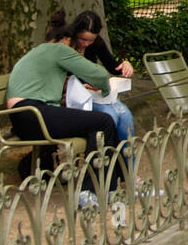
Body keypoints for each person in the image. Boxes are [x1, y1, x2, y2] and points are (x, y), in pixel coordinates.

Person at [5, 28, 121, 195]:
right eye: (76, 45)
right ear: (67, 40)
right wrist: (104, 90)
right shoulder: (59, 49)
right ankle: (93, 190)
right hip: (34, 113)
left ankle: (30, 168)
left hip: (22, 119)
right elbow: (100, 75)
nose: (76, 51)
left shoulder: (37, 52)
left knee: (87, 121)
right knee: (104, 121)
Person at [58, 10, 136, 150]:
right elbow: (60, 76)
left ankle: (127, 165)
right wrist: (83, 86)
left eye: (91, 40)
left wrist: (125, 64)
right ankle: (107, 163)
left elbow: (113, 66)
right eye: (83, 39)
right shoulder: (65, 44)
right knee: (110, 115)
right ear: (76, 33)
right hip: (73, 97)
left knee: (125, 115)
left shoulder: (96, 43)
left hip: (95, 94)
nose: (87, 44)